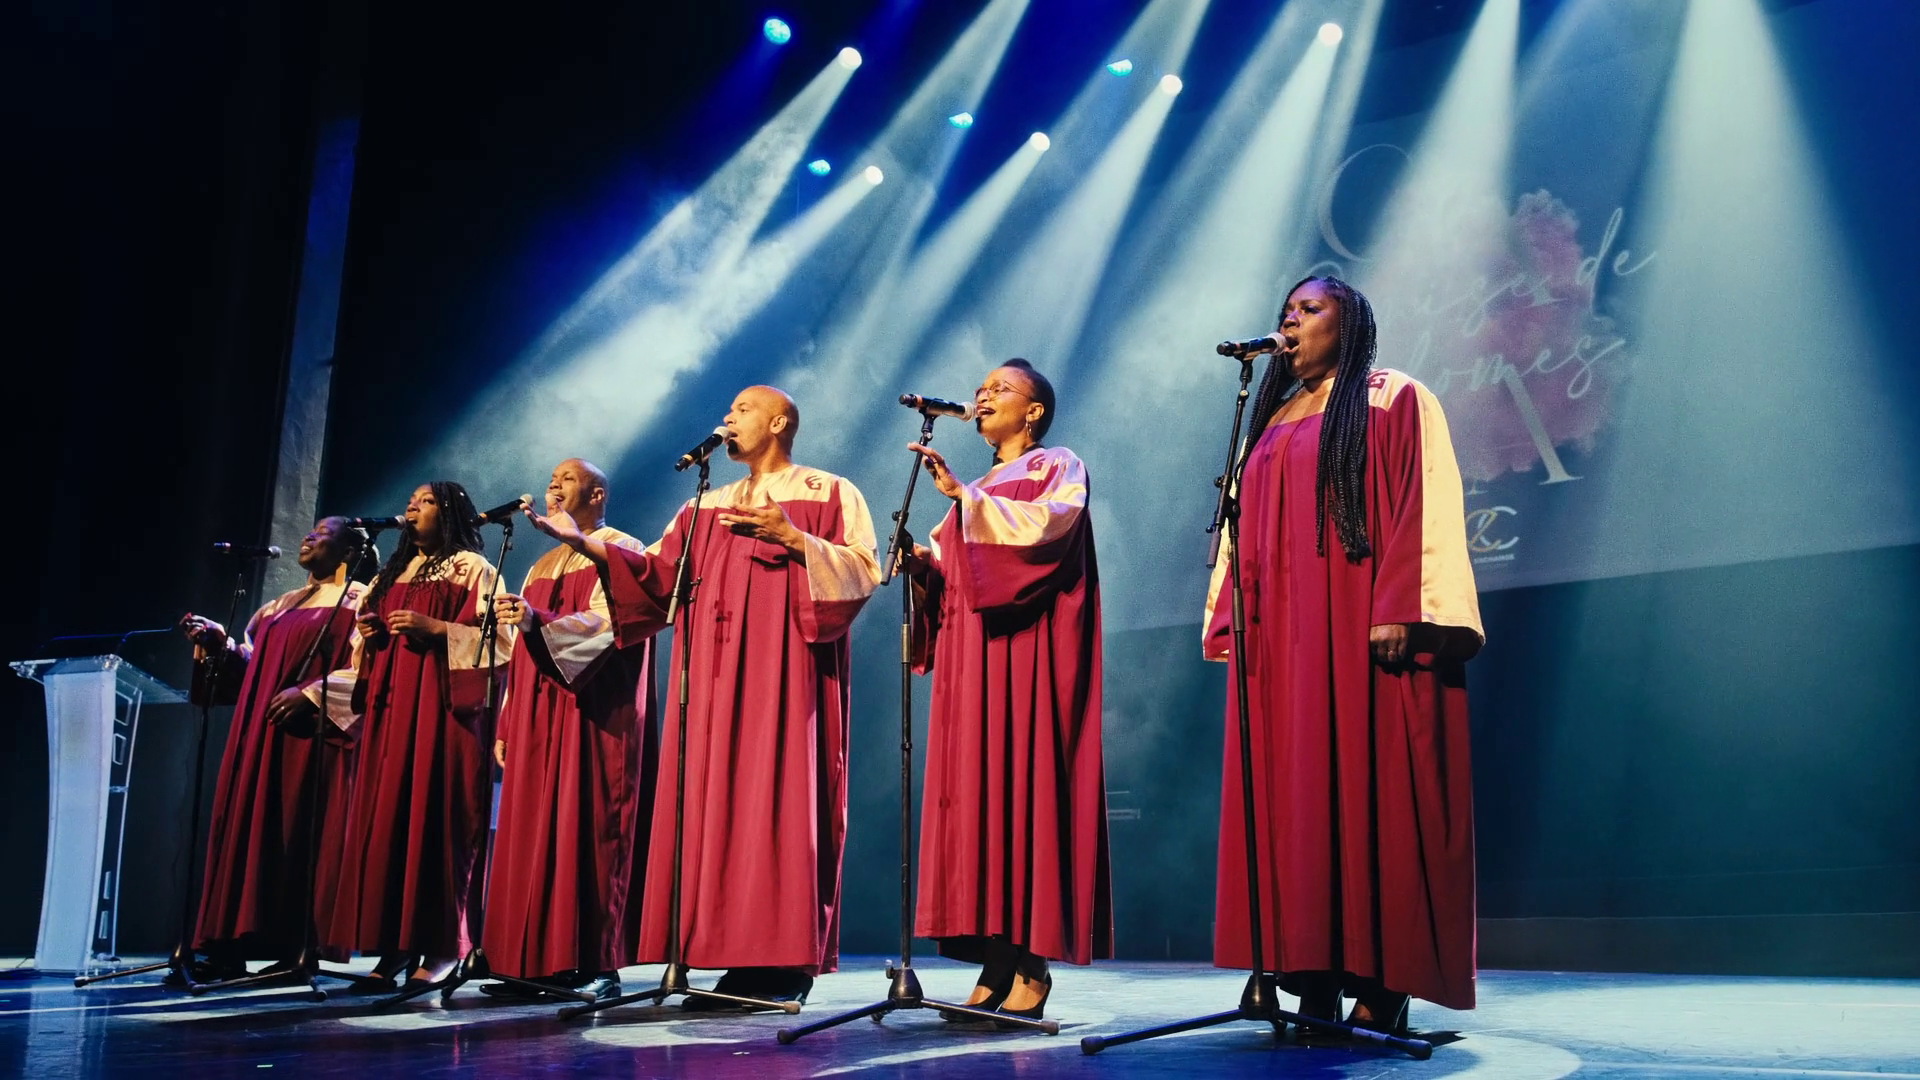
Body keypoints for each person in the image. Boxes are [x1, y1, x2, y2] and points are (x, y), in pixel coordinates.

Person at [527, 386, 879, 1006]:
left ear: (779, 421)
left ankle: (781, 962)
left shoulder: (829, 491)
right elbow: (657, 577)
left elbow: (862, 570)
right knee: (713, 807)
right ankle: (723, 953)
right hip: (711, 680)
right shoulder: (703, 505)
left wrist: (795, 539)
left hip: (785, 674)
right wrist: (585, 544)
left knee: (778, 801)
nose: (729, 417)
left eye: (743, 409)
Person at [1203, 276, 1483, 1035]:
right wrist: (1231, 613)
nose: (1290, 323)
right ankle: (1310, 970)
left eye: (1309, 310)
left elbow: (1421, 496)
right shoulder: (1268, 417)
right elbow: (1241, 529)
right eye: (1285, 313)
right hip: (1283, 639)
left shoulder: (1393, 396)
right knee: (1295, 801)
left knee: (1375, 791)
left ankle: (1384, 977)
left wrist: (1401, 604)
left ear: (1350, 322)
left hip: (1360, 622)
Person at [899, 359, 1111, 1025]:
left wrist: (966, 501)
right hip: (973, 661)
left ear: (1034, 412)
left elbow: (1047, 533)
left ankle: (1030, 962)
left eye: (1001, 389)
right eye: (981, 387)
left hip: (1025, 650)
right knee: (982, 799)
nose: (983, 394)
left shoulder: (1057, 466)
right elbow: (960, 573)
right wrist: (923, 568)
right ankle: (995, 953)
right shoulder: (980, 485)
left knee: (1023, 790)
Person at [480, 459, 656, 1002]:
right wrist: (508, 720)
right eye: (552, 478)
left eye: (568, 479)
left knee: (594, 827)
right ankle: (532, 961)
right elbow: (517, 654)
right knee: (533, 830)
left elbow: (609, 628)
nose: (554, 485)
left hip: (596, 708)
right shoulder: (541, 565)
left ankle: (595, 963)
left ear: (597, 493)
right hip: (537, 711)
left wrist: (538, 622)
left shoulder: (625, 549)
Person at [323, 480, 510, 989]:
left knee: (437, 820)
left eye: (426, 501)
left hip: (443, 711)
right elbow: (367, 647)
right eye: (411, 500)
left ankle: (443, 946)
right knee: (389, 824)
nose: (412, 506)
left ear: (449, 514)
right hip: (392, 709)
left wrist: (438, 629)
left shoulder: (472, 568)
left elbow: (501, 641)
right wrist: (371, 636)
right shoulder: (390, 573)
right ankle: (392, 949)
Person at [178, 518, 369, 979]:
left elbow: (366, 668)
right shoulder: (278, 606)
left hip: (311, 736)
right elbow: (253, 669)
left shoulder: (361, 600)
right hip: (259, 736)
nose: (309, 536)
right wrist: (221, 644)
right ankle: (230, 946)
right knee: (248, 831)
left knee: (301, 831)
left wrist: (311, 693)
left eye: (324, 532)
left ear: (348, 550)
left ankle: (297, 947)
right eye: (311, 529)